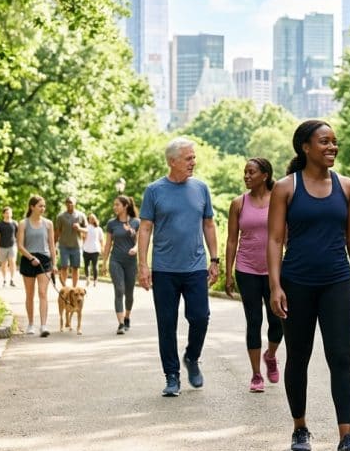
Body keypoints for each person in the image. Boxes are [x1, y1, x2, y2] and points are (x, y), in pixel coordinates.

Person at [267, 119, 350, 451]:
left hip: (337, 282)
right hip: (296, 283)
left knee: (340, 358)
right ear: (305, 147)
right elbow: (275, 239)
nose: (331, 147)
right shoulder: (285, 188)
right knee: (298, 357)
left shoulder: (348, 187)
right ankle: (300, 428)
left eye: (334, 142)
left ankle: (347, 438)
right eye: (324, 142)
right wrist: (275, 285)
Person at [138, 137, 220, 397]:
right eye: (188, 158)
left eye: (194, 157)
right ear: (172, 161)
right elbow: (145, 228)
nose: (193, 162)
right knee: (166, 323)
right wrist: (143, 264)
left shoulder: (201, 188)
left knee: (200, 317)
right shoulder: (154, 191)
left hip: (195, 267)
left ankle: (192, 357)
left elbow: (209, 224)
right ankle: (171, 376)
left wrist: (215, 259)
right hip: (164, 269)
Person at [225, 157, 283, 393]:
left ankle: (271, 355)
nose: (246, 176)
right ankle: (256, 374)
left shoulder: (278, 201)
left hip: (274, 271)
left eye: (251, 172)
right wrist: (228, 273)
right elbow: (231, 240)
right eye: (245, 173)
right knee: (254, 321)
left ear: (265, 175)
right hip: (246, 268)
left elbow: (286, 237)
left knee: (277, 320)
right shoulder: (238, 203)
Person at [18, 195, 57, 337]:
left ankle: (44, 325)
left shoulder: (48, 224)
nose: (43, 208)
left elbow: (52, 245)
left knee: (42, 293)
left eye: (44, 206)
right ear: (32, 207)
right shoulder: (23, 223)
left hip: (44, 260)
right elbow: (20, 246)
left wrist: (54, 264)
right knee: (30, 294)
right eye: (40, 206)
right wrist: (31, 257)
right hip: (28, 259)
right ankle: (30, 324)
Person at [105, 196, 139, 334]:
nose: (114, 207)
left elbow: (140, 241)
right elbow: (108, 244)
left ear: (125, 206)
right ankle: (120, 324)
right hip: (116, 260)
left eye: (117, 205)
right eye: (114, 205)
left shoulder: (136, 222)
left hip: (131, 262)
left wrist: (135, 249)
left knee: (129, 294)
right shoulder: (111, 224)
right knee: (119, 290)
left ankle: (127, 317)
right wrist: (104, 262)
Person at [55, 196, 87, 287]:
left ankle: (74, 288)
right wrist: (54, 245)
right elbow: (57, 231)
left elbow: (87, 230)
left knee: (75, 267)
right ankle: (64, 288)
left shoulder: (81, 215)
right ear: (65, 204)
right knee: (64, 267)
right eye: (68, 202)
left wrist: (79, 228)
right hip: (64, 245)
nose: (69, 204)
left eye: (71, 202)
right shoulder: (60, 217)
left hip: (76, 246)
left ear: (75, 203)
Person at [0, 207, 19, 287]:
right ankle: (4, 279)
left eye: (10, 213)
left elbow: (18, 235)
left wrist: (19, 245)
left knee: (12, 261)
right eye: (7, 213)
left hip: (13, 246)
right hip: (2, 247)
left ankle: (12, 279)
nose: (9, 214)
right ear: (3, 214)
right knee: (4, 264)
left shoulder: (15, 223)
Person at [82, 214, 105, 287]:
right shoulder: (86, 228)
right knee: (86, 265)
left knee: (95, 266)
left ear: (95, 219)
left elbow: (101, 240)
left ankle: (95, 280)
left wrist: (102, 248)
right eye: (90, 218)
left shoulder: (99, 229)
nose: (91, 220)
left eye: (93, 218)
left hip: (95, 250)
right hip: (86, 249)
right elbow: (83, 238)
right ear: (88, 219)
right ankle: (88, 279)